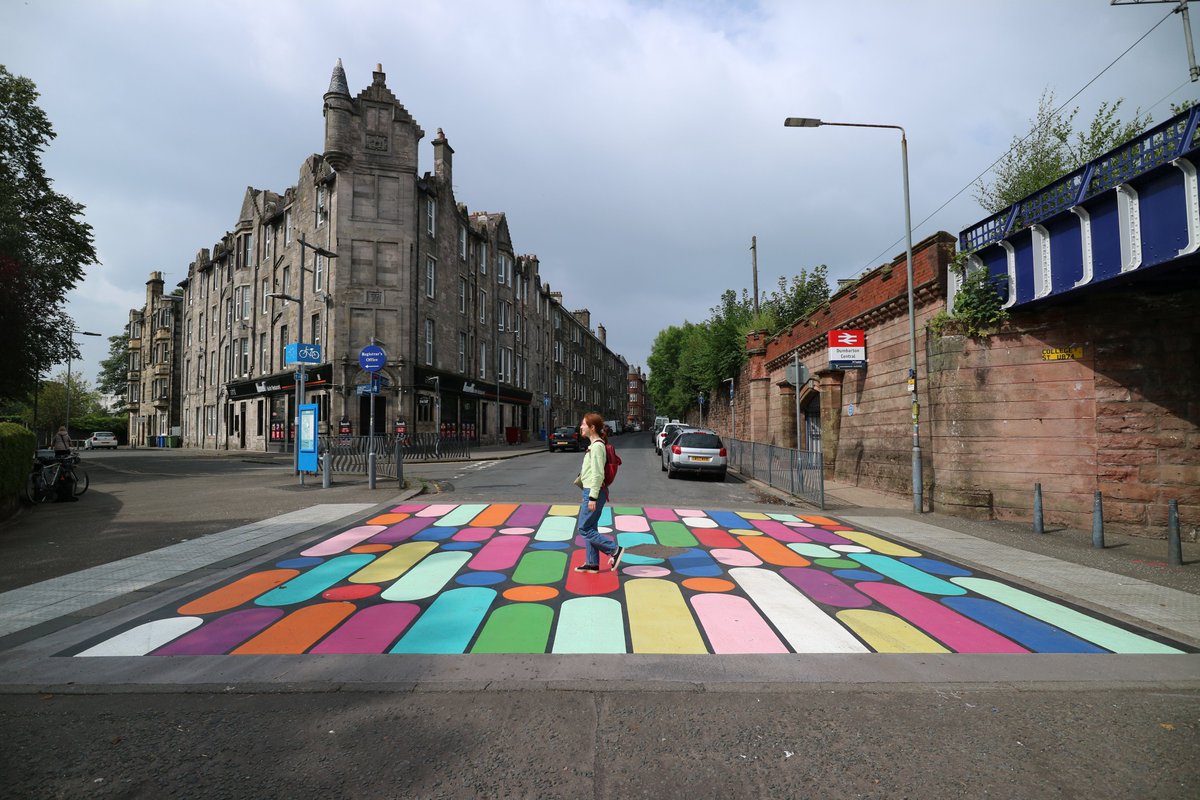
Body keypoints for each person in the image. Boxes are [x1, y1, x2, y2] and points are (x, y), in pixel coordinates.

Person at [572, 412, 623, 573]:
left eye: (583, 424)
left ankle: (614, 550)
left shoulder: (598, 446)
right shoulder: (593, 446)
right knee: (591, 527)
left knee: (584, 528)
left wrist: (592, 497)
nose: (581, 427)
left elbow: (598, 474)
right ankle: (592, 562)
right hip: (591, 491)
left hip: (594, 492)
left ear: (592, 428)